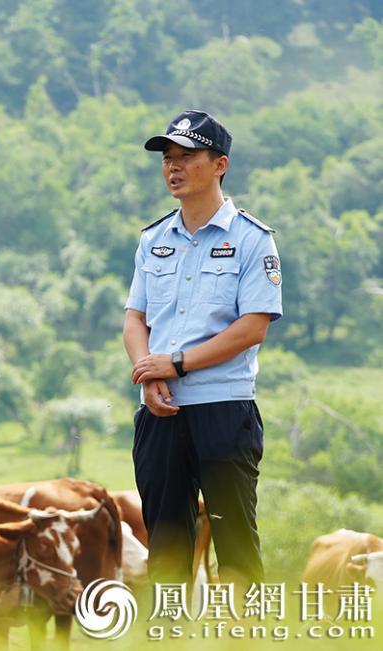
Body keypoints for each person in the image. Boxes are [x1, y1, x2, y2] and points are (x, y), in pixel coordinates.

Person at [123, 110, 282, 590]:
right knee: (166, 550)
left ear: (220, 164)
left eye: (187, 156)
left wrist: (177, 363)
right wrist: (148, 374)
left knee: (234, 545)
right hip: (161, 415)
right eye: (168, 159)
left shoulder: (253, 240)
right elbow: (135, 317)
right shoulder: (153, 240)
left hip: (223, 410)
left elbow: (253, 326)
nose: (174, 167)